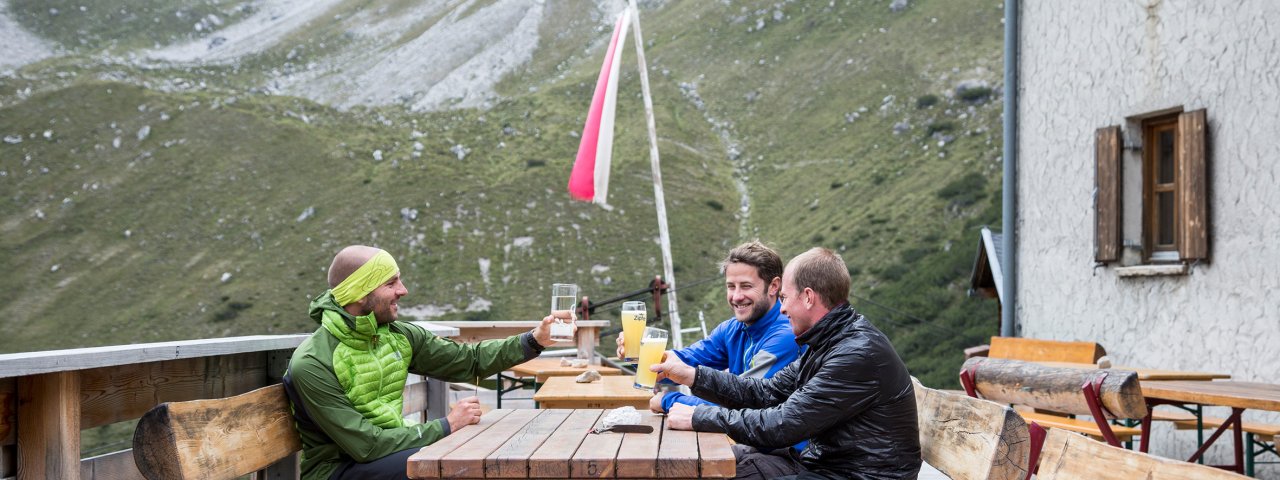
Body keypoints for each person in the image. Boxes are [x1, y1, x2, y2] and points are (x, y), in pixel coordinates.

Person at [283, 245, 564, 480]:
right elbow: (365, 445)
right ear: (358, 292)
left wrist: (534, 340)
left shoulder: (399, 335)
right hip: (338, 470)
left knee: (471, 459)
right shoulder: (312, 363)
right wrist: (446, 426)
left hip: (388, 453)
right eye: (391, 283)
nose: (403, 290)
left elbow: (468, 361)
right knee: (455, 466)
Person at [652, 247, 921, 480]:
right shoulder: (828, 342)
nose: (781, 308)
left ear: (807, 297)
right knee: (697, 467)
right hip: (830, 466)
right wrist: (691, 376)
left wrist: (701, 416)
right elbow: (765, 392)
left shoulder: (856, 354)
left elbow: (781, 425)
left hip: (859, 474)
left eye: (784, 298)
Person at [615, 241, 801, 415]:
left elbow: (747, 405)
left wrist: (670, 400)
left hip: (780, 449)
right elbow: (684, 362)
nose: (736, 296)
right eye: (731, 286)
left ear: (774, 286)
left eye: (745, 286)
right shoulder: (732, 329)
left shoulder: (785, 335)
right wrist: (640, 355)